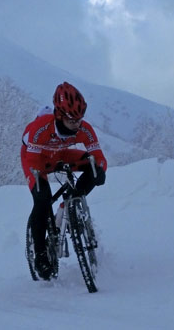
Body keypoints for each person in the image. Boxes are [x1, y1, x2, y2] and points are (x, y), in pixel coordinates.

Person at [21, 82, 107, 280]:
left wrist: (100, 170)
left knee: (93, 167)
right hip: (36, 158)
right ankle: (41, 254)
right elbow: (33, 161)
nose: (77, 125)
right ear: (59, 115)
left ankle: (71, 202)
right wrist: (41, 182)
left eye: (80, 120)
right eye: (72, 121)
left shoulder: (84, 129)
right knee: (42, 200)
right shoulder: (40, 128)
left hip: (61, 153)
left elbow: (98, 156)